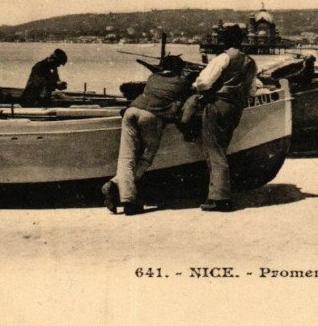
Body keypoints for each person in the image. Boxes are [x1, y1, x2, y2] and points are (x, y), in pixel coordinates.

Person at [102, 56, 192, 216]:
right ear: (179, 69)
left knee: (126, 158)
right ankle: (125, 198)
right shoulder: (182, 83)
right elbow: (180, 105)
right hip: (151, 116)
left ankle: (116, 186)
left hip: (131, 111)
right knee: (146, 156)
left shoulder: (153, 78)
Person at [194, 25, 262, 212]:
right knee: (222, 148)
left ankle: (219, 198)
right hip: (236, 107)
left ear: (224, 40)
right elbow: (253, 88)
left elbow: (204, 82)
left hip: (217, 104)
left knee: (214, 151)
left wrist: (198, 89)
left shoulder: (223, 57)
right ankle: (220, 194)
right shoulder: (250, 61)